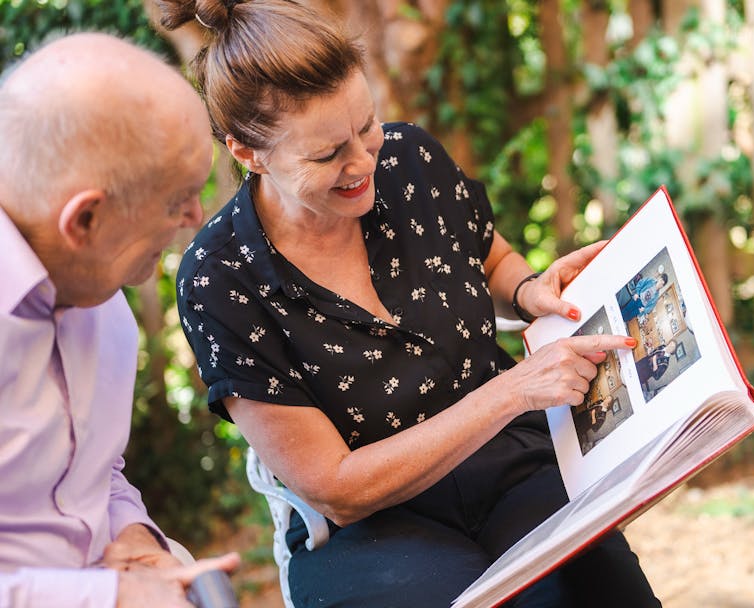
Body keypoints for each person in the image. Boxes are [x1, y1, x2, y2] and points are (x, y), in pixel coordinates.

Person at [159, 0, 661, 605]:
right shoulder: (219, 279)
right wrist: (515, 389)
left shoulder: (410, 160)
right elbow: (336, 488)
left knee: (602, 591)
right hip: (369, 527)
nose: (364, 162)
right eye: (327, 155)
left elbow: (491, 258)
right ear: (248, 153)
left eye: (366, 126)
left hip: (507, 461)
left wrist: (530, 290)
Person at [0, 33, 240, 607]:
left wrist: (132, 531)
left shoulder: (100, 294)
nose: (195, 216)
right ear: (84, 220)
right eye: (177, 199)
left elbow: (92, 471)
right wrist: (107, 598)